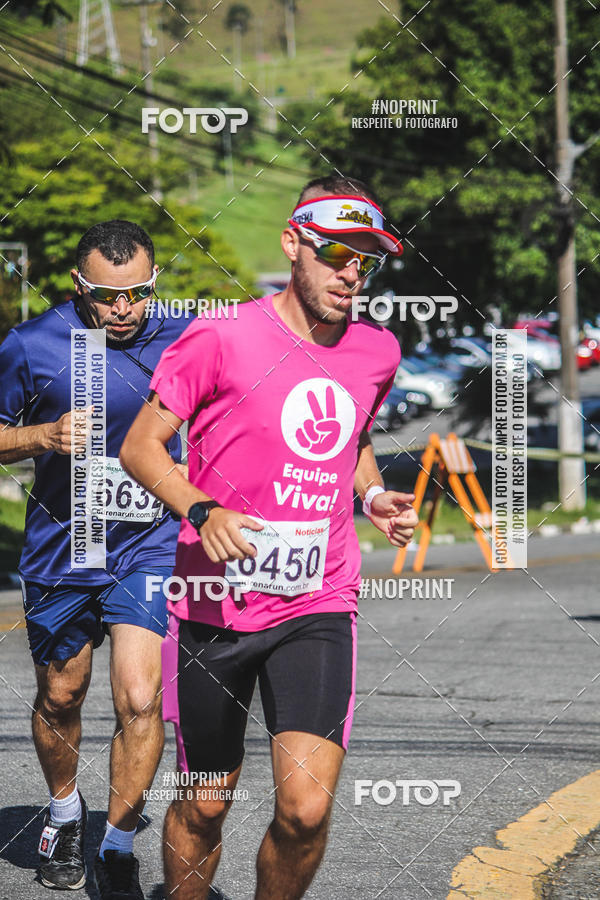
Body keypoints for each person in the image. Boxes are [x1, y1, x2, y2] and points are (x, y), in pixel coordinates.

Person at [120, 175, 419, 900]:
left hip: (316, 602)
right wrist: (200, 511)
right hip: (211, 605)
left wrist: (372, 493)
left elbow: (350, 438)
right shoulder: (220, 337)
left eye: (365, 260)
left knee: (305, 809)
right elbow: (141, 448)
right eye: (336, 253)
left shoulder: (377, 351)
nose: (351, 272)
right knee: (205, 800)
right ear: (293, 244)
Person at [0, 220, 188, 898]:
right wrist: (41, 434)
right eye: (109, 297)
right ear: (81, 287)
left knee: (141, 698)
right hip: (63, 548)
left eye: (138, 293)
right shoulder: (33, 343)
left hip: (146, 544)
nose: (125, 310)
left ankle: (116, 843)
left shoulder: (181, 336)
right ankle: (63, 812)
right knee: (62, 692)